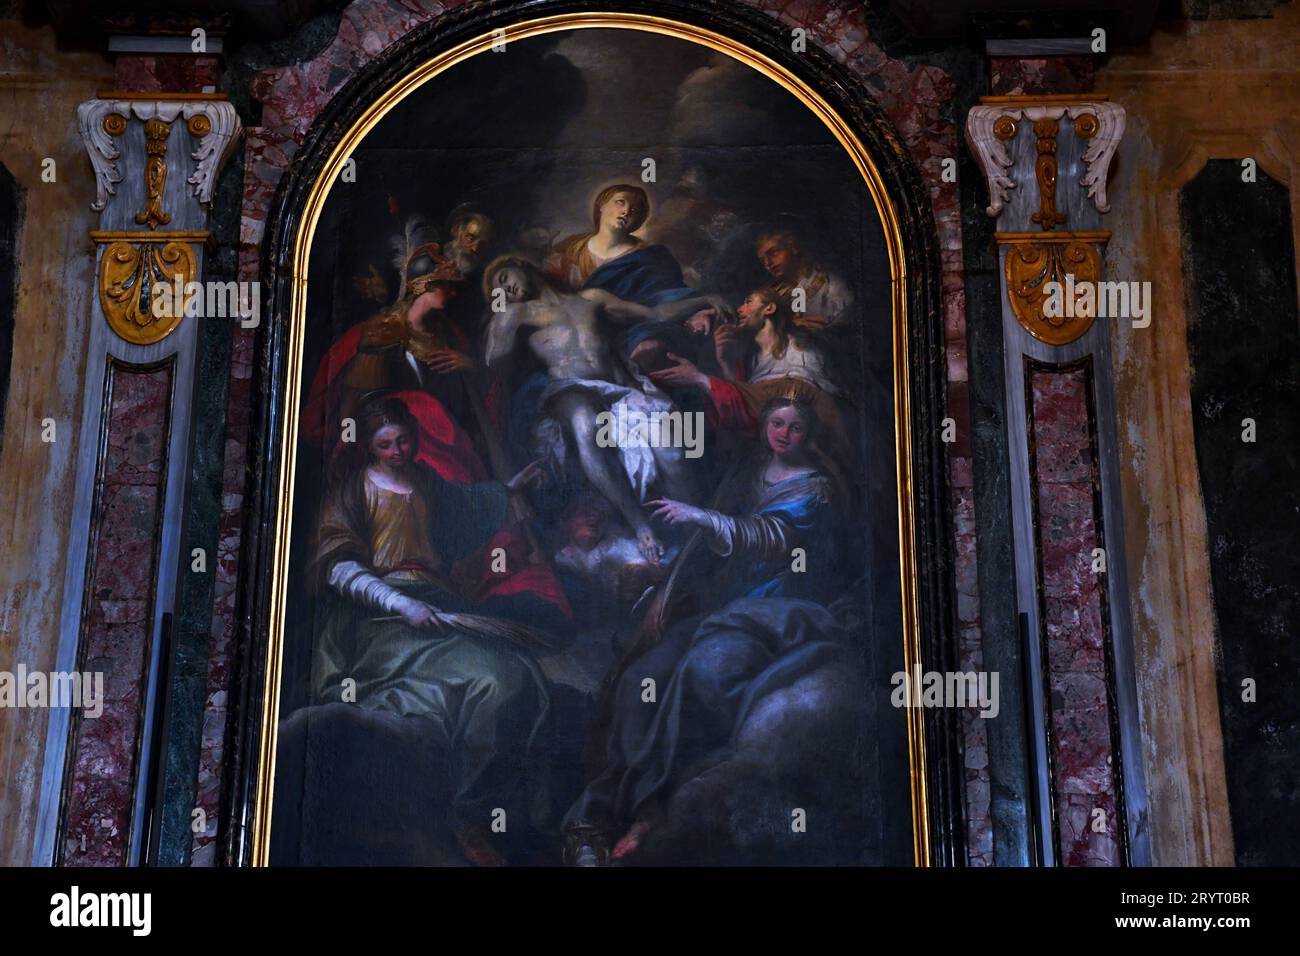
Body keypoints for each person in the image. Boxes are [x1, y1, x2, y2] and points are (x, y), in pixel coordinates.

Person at [562, 397, 855, 864]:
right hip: (721, 608)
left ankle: (651, 809)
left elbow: (773, 539)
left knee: (705, 671)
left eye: (796, 427)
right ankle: (619, 805)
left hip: (776, 611)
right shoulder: (747, 473)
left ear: (809, 435)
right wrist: (667, 585)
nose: (784, 433)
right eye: (776, 422)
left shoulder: (816, 489)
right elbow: (703, 553)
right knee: (643, 680)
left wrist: (703, 517)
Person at [310, 396, 553, 866]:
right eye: (386, 444)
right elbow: (337, 566)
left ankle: (481, 811)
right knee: (493, 681)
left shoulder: (424, 481)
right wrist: (400, 602)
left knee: (522, 675)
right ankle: (463, 818)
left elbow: (467, 509)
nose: (398, 450)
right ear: (369, 447)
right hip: (381, 621)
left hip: (441, 609)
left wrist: (508, 490)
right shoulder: (353, 490)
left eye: (404, 439)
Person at [483, 255, 730, 565]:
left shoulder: (591, 299)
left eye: (505, 278)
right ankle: (640, 525)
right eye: (499, 289)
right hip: (569, 390)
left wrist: (703, 299)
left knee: (672, 449)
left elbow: (654, 313)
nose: (506, 289)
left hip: (620, 390)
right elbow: (493, 363)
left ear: (521, 264)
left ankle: (698, 533)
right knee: (586, 423)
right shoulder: (517, 314)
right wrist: (500, 311)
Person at [648, 286, 849, 448]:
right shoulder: (750, 359)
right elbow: (739, 412)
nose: (740, 310)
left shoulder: (800, 343)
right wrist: (724, 360)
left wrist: (699, 378)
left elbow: (773, 405)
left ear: (769, 309)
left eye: (748, 303)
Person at [755, 228, 853, 333]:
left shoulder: (832, 287)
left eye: (774, 253)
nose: (768, 263)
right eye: (763, 260)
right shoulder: (769, 295)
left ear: (793, 248)